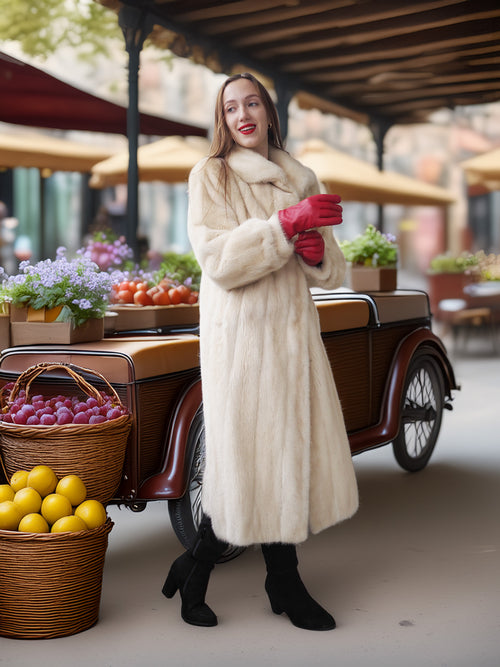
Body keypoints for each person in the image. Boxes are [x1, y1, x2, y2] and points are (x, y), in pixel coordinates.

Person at [162, 72, 359, 631]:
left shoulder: (301, 175)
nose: (243, 114)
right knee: (247, 457)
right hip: (241, 339)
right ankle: (275, 581)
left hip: (294, 338)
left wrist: (317, 254)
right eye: (230, 108)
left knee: (275, 456)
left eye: (252, 103)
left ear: (270, 112)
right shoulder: (211, 174)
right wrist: (283, 228)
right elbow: (219, 260)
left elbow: (331, 269)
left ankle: (224, 572)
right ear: (221, 121)